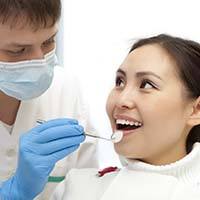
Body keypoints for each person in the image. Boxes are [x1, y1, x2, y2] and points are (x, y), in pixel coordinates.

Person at [51, 34, 200, 200]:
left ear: (196, 110)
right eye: (120, 82)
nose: (122, 100)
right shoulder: (76, 187)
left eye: (147, 85)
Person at [0, 0, 99, 199]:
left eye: (48, 42)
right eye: (17, 50)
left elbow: (87, 188)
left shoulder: (65, 88)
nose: (39, 60)